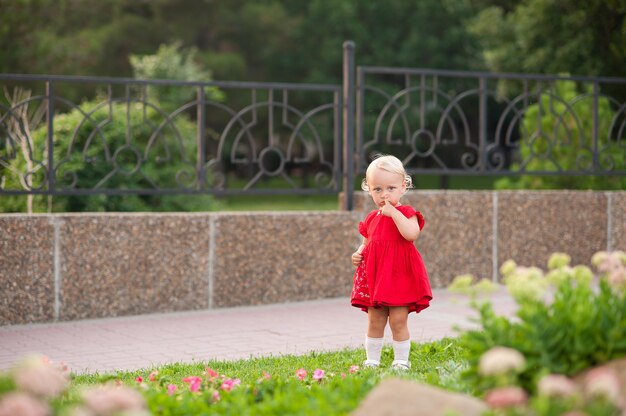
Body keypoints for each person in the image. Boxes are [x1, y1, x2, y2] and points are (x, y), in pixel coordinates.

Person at [350, 154, 432, 370]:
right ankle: (372, 360)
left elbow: (411, 234)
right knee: (375, 319)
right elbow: (367, 242)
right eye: (377, 189)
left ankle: (401, 361)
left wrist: (393, 213)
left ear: (403, 187)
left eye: (390, 188)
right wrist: (358, 253)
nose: (384, 194)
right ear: (369, 189)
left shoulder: (406, 213)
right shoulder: (371, 218)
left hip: (398, 276)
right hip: (377, 277)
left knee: (398, 320)